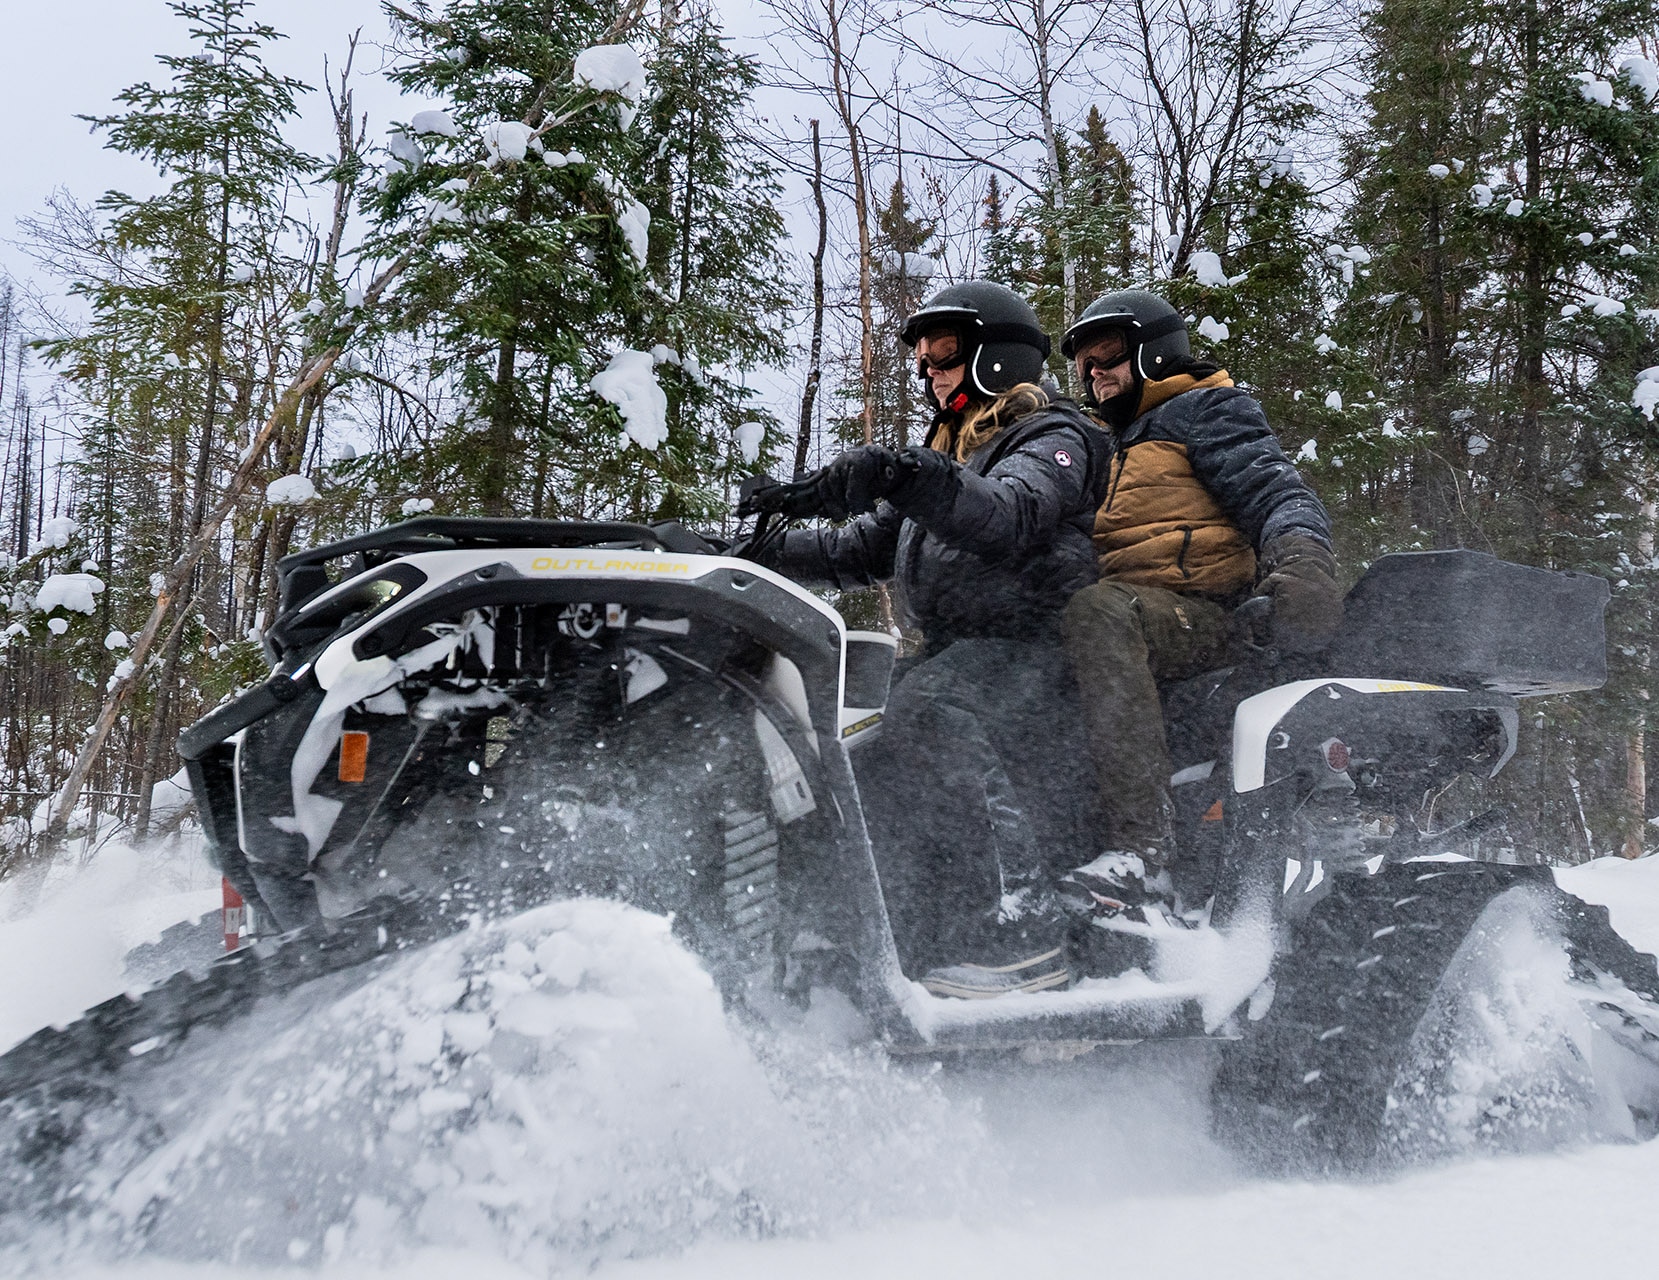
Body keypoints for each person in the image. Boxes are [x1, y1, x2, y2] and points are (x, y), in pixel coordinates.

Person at [739, 281, 1111, 998]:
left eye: (944, 354)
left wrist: (905, 472)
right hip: (960, 652)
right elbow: (854, 550)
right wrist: (744, 552)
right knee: (855, 742)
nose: (928, 371)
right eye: (923, 359)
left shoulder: (1054, 437)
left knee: (931, 709)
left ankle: (1022, 930)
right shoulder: (956, 452)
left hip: (1035, 647)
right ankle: (889, 932)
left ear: (996, 356)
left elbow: (1008, 513)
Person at [1056, 289, 1341, 908]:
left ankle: (1143, 851)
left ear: (1154, 351)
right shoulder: (1099, 444)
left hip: (1205, 615)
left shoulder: (1202, 410)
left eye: (1108, 354)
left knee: (1102, 610)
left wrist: (1303, 564)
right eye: (1084, 363)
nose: (1094, 372)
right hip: (1140, 619)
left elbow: (1275, 491)